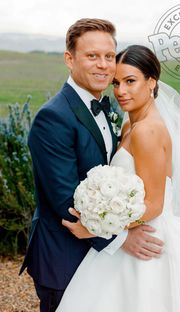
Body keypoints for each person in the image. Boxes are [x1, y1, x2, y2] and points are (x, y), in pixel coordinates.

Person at [57, 45, 180, 312]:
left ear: (151, 82)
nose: (121, 91)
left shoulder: (147, 131)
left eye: (131, 81)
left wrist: (98, 227)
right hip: (135, 228)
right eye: (116, 83)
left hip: (150, 237)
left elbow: (154, 204)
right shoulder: (131, 124)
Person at [19, 22, 163, 311]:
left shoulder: (108, 108)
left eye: (109, 56)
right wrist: (121, 237)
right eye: (92, 56)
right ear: (69, 59)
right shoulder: (53, 118)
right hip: (65, 256)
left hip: (100, 258)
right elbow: (65, 200)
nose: (103, 66)